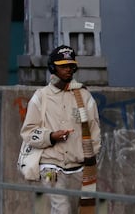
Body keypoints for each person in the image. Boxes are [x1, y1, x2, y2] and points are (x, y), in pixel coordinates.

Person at [20, 45, 101, 214]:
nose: (68, 70)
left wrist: (91, 157)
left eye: (71, 66)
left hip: (80, 167)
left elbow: (94, 129)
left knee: (85, 211)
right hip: (51, 167)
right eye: (63, 65)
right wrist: (50, 136)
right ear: (52, 67)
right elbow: (27, 131)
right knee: (62, 210)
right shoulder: (41, 96)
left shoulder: (84, 96)